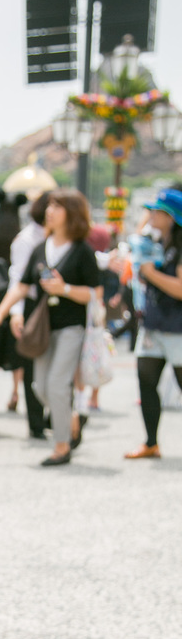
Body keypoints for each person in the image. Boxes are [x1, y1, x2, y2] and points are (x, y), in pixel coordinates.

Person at [0, 190, 100, 466]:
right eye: (50, 206)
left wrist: (65, 289)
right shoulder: (41, 247)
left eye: (58, 206)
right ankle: (70, 417)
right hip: (45, 328)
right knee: (40, 386)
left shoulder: (82, 250)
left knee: (58, 385)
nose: (50, 211)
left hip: (72, 326)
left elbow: (95, 293)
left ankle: (62, 446)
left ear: (72, 214)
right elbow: (22, 286)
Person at [124, 187, 182, 459]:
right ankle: (151, 442)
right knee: (146, 381)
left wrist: (149, 273)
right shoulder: (155, 243)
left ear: (171, 216)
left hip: (177, 328)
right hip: (154, 324)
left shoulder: (180, 247)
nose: (151, 216)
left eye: (156, 211)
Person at [7, 191, 51, 438]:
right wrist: (16, 313)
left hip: (58, 305)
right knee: (31, 364)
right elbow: (18, 278)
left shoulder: (61, 238)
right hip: (33, 305)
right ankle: (36, 422)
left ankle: (53, 417)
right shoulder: (26, 240)